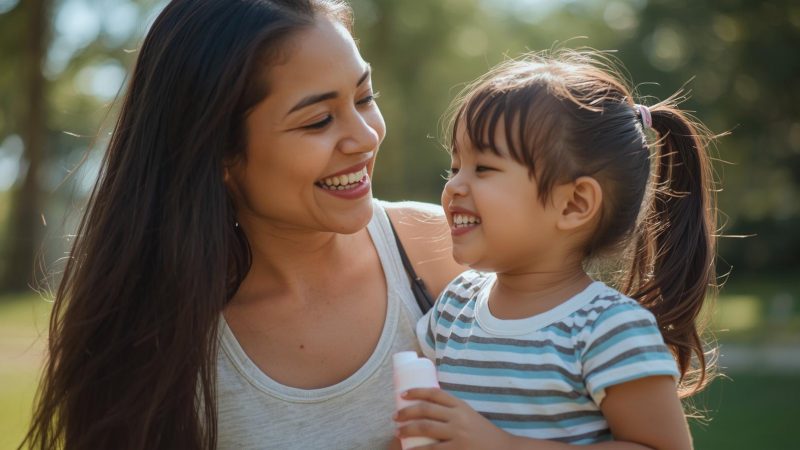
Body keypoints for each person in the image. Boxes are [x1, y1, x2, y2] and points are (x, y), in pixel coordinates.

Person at [23, 0, 464, 448]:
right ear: (219, 153)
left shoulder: (448, 254)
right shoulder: (157, 348)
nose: (366, 136)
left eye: (364, 97)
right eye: (318, 121)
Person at [394, 51, 718, 449]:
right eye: (455, 166)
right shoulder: (452, 310)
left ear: (573, 205)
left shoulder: (607, 330)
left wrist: (502, 445)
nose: (454, 186)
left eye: (483, 168)